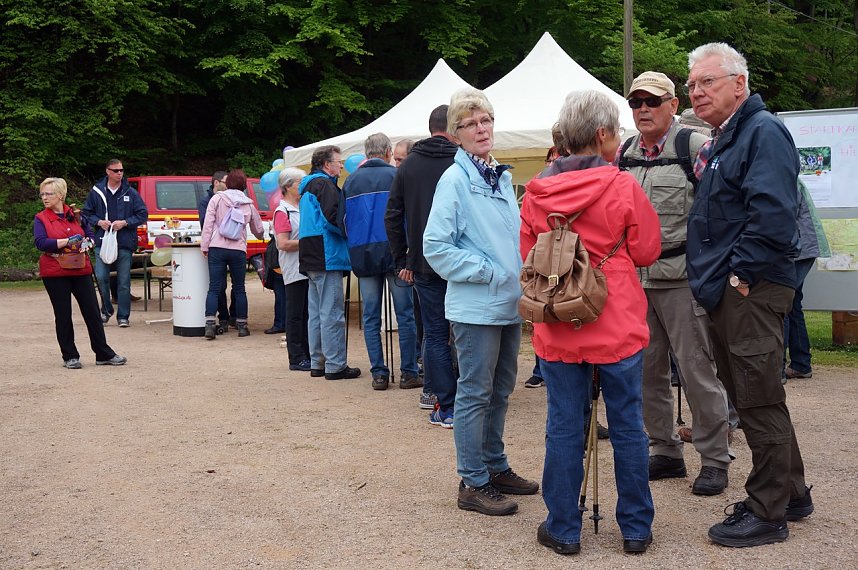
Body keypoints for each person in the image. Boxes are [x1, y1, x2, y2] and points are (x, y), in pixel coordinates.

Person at [685, 42, 814, 548]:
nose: (696, 91)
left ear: (739, 83)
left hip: (750, 290)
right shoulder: (727, 138)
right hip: (731, 290)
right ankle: (793, 493)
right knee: (753, 393)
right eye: (692, 84)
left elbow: (773, 214)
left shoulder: (762, 131)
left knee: (757, 398)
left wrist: (741, 276)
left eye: (707, 82)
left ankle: (767, 511)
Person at [521, 90, 661, 555]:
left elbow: (528, 256)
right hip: (615, 319)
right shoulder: (622, 185)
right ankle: (636, 528)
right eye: (617, 130)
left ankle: (563, 527)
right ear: (601, 135)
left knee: (564, 424)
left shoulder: (536, 190)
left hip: (558, 321)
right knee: (627, 425)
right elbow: (646, 251)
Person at [424, 88, 539, 516]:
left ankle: (494, 464)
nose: (481, 128)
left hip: (507, 304)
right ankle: (472, 481)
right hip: (476, 306)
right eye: (471, 124)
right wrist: (488, 271)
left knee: (502, 390)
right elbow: (435, 246)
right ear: (456, 135)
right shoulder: (454, 180)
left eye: (485, 120)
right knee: (475, 392)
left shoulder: (499, 176)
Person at [618, 71, 732, 496]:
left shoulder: (695, 147)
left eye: (652, 101)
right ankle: (665, 450)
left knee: (697, 370)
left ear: (672, 104)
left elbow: (721, 210)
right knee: (646, 373)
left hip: (683, 280)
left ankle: (715, 458)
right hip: (637, 282)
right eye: (636, 102)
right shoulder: (624, 154)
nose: (643, 109)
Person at [385, 105, 460, 421]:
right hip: (461, 261)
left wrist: (402, 257)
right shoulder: (464, 160)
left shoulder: (409, 165)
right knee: (467, 330)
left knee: (434, 332)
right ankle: (471, 400)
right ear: (454, 126)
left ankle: (444, 403)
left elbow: (392, 215)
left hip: (425, 263)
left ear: (430, 128)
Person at [344, 133, 420, 391]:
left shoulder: (351, 181)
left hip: (364, 255)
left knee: (370, 316)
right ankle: (409, 371)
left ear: (367, 153)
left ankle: (378, 372)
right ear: (388, 151)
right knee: (405, 315)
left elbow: (344, 222)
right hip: (396, 254)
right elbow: (409, 216)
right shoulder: (396, 176)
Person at [34, 178, 127, 368]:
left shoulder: (77, 214)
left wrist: (88, 244)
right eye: (42, 194)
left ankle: (103, 353)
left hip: (80, 268)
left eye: (49, 194)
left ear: (60, 195)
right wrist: (68, 241)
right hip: (55, 271)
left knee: (92, 311)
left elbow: (90, 235)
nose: (44, 197)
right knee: (63, 314)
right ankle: (70, 356)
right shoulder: (41, 218)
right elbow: (41, 243)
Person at [299, 145, 362, 380]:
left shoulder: (307, 187)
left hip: (310, 253)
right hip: (326, 254)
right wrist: (352, 233)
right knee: (332, 312)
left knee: (316, 312)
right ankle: (335, 364)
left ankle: (318, 361)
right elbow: (334, 219)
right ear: (327, 164)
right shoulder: (325, 186)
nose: (342, 165)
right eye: (338, 161)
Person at [81, 158, 148, 327]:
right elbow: (86, 213)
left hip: (124, 242)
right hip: (102, 241)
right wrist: (98, 222)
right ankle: (106, 310)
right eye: (116, 170)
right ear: (107, 171)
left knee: (124, 281)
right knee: (102, 277)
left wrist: (125, 222)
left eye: (122, 170)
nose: (120, 173)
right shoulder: (97, 192)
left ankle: (123, 316)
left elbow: (142, 214)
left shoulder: (130, 192)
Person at [200, 169, 264, 339]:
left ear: (227, 183)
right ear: (244, 185)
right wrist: (261, 236)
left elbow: (208, 225)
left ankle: (210, 325)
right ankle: (242, 325)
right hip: (238, 249)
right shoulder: (248, 203)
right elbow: (258, 229)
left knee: (214, 287)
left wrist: (205, 246)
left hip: (217, 248)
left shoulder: (217, 198)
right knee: (239, 288)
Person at [784, 179, 830, 381]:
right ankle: (801, 364)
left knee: (781, 303)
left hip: (798, 248)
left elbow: (783, 215)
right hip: (802, 247)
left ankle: (777, 369)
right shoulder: (786, 174)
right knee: (792, 304)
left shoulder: (784, 177)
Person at [275, 168, 312, 371]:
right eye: (299, 183)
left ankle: (306, 353)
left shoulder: (300, 207)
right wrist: (308, 242)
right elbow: (283, 243)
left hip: (304, 266)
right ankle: (296, 357)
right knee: (296, 313)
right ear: (287, 186)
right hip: (293, 268)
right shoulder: (282, 211)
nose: (303, 186)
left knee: (306, 312)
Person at [198, 171, 234, 332]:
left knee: (230, 286)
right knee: (218, 286)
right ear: (216, 183)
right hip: (217, 246)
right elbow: (206, 224)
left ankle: (231, 317)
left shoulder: (229, 198)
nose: (229, 184)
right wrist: (206, 246)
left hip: (227, 246)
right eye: (226, 181)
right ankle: (223, 318)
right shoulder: (206, 201)